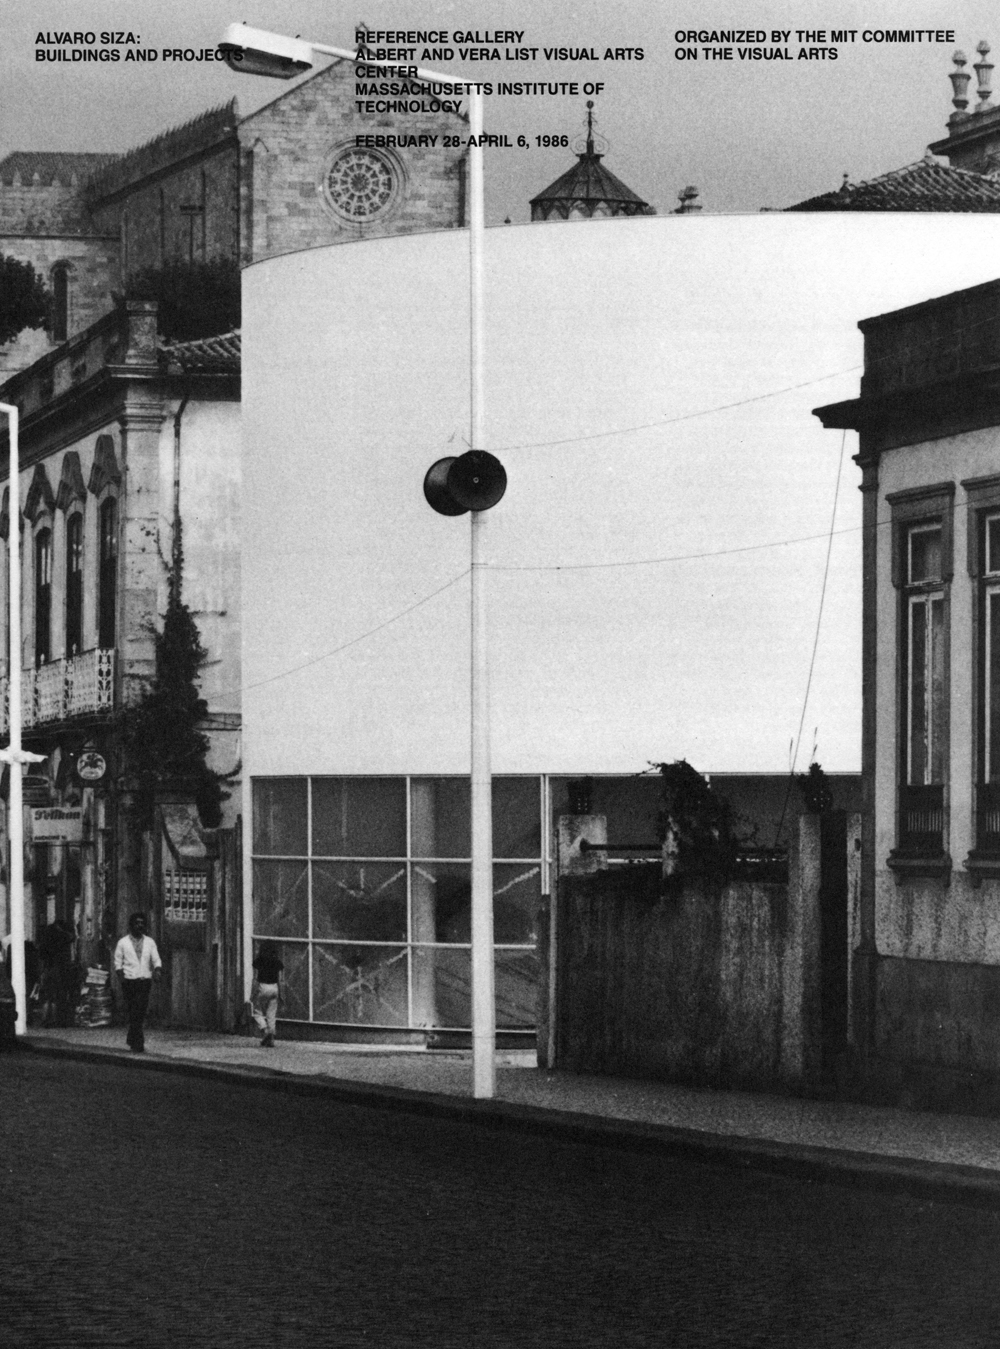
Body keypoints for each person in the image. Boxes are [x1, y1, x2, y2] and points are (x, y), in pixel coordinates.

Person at [113, 913, 162, 1053]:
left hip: (144, 980)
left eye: (142, 923)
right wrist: (121, 976)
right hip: (129, 981)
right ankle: (136, 1042)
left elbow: (156, 959)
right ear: (131, 925)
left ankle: (134, 1040)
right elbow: (118, 962)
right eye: (136, 923)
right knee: (133, 1011)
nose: (139, 926)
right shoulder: (123, 943)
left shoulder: (150, 942)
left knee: (139, 1011)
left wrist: (157, 970)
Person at [251, 941, 283, 1048]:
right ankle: (271, 1039)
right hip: (274, 988)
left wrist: (252, 993)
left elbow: (255, 979)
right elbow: (280, 980)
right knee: (271, 1014)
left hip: (263, 987)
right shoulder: (278, 962)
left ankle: (265, 1030)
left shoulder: (258, 961)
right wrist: (282, 994)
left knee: (257, 1011)